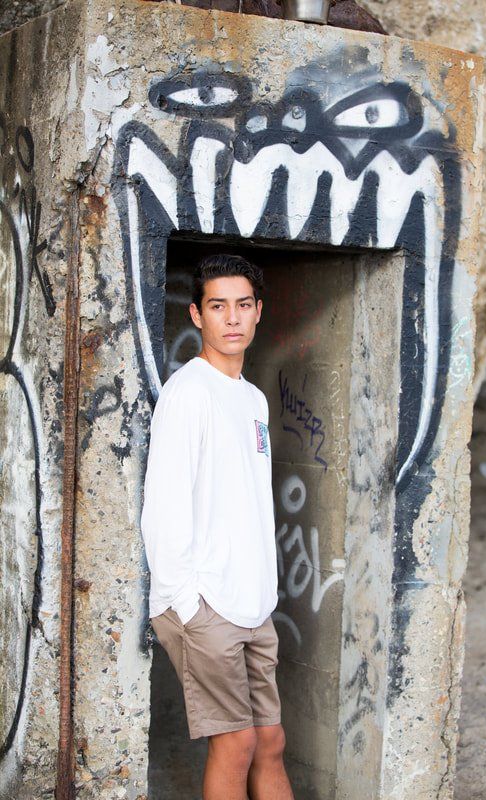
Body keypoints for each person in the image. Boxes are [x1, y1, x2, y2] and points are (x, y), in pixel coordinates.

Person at [140, 253, 294, 800]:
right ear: (196, 315)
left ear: (258, 312)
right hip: (204, 603)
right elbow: (163, 506)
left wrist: (263, 593)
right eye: (217, 306)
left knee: (269, 741)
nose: (232, 318)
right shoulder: (189, 393)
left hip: (253, 604)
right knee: (235, 744)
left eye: (243, 305)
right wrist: (187, 603)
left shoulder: (252, 399)